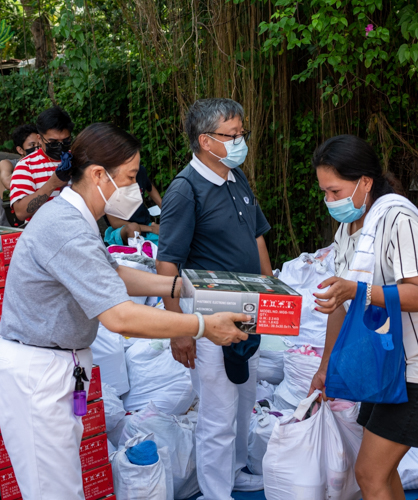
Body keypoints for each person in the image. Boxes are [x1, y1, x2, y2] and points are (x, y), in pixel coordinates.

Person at [0, 122, 250, 500]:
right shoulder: (65, 227)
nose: (135, 190)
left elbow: (111, 273)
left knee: (63, 487)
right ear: (98, 175)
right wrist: (202, 325)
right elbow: (120, 317)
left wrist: (184, 286)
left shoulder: (76, 218)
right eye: (129, 179)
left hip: (58, 368)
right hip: (36, 377)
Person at [307, 135, 418, 500]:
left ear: (365, 183)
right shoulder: (351, 227)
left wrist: (358, 291)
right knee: (380, 473)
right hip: (382, 362)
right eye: (324, 192)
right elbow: (339, 305)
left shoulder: (398, 218)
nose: (329, 201)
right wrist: (326, 367)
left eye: (335, 191)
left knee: (369, 473)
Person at [157, 98, 272, 499]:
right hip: (208, 316)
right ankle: (216, 491)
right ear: (206, 141)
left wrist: (269, 288)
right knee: (219, 410)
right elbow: (167, 265)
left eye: (242, 133)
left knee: (243, 400)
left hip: (249, 307)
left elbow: (257, 236)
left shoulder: (235, 177)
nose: (241, 141)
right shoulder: (185, 191)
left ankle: (236, 470)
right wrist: (178, 330)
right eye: (233, 135)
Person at [10, 106, 73, 222]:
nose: (60, 146)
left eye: (65, 141)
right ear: (39, 138)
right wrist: (52, 184)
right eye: (53, 142)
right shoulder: (26, 166)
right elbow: (20, 212)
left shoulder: (78, 159)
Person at [104, 163, 162, 246]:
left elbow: (150, 188)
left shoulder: (140, 171)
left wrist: (166, 211)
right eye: (130, 178)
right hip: (121, 230)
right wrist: (151, 229)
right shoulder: (109, 180)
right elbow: (115, 222)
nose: (134, 182)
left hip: (145, 225)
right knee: (133, 229)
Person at [0, 124, 40, 226]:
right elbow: (8, 182)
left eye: (39, 144)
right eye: (32, 145)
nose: (37, 149)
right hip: (9, 231)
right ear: (20, 150)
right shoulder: (8, 164)